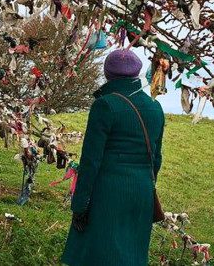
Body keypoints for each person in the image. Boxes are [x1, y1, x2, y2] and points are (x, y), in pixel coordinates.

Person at [62, 49, 165, 266]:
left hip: (108, 193)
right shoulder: (156, 108)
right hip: (141, 192)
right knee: (132, 257)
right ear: (137, 74)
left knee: (98, 256)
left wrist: (80, 205)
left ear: (107, 74)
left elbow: (91, 161)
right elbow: (156, 159)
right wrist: (145, 185)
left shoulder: (105, 105)